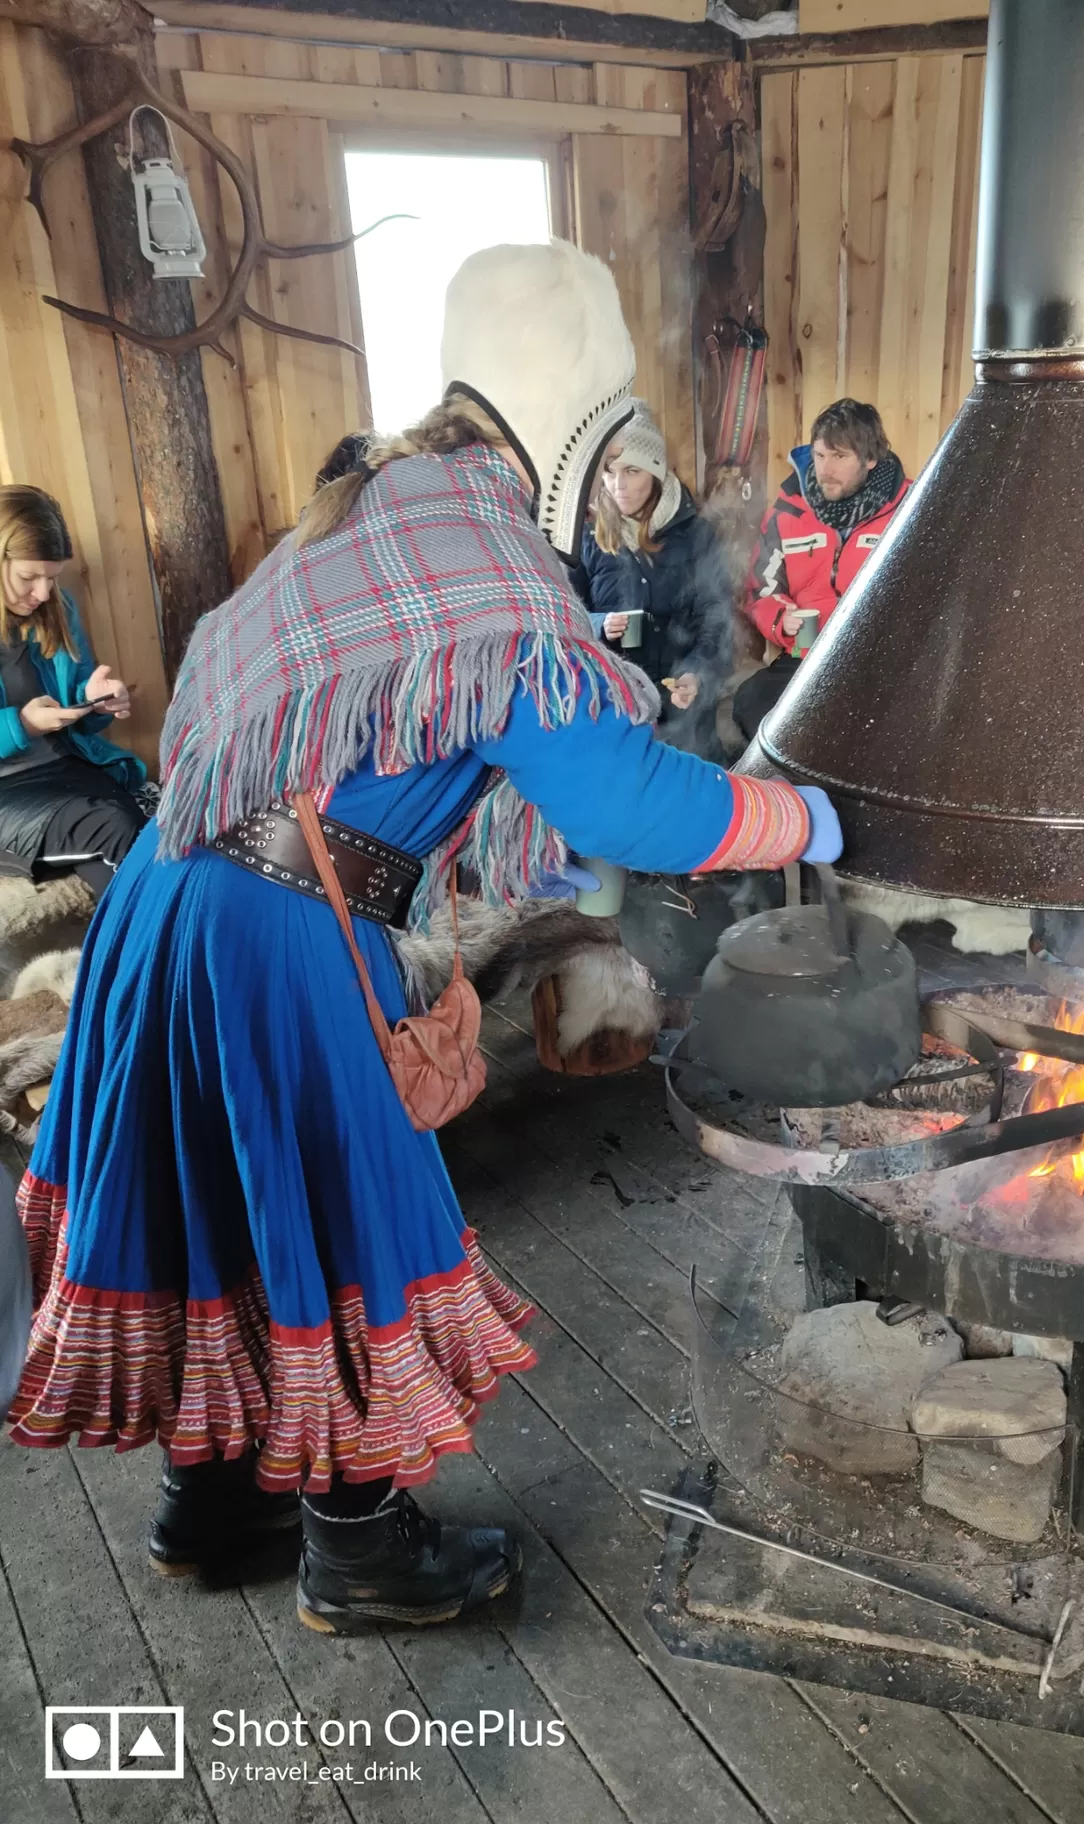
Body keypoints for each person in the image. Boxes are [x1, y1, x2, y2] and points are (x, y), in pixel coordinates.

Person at [7, 241, 839, 1636]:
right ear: (578, 423)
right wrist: (806, 824)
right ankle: (361, 1550)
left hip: (173, 892)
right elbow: (622, 797)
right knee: (327, 1214)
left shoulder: (366, 509)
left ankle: (215, 1508)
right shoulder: (487, 554)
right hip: (269, 925)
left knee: (226, 1195)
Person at [733, 399, 910, 743]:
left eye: (839, 456)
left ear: (871, 459)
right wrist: (781, 618)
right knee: (751, 702)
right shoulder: (790, 506)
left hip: (877, 663)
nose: (825, 468)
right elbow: (759, 588)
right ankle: (791, 794)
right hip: (806, 654)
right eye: (820, 455)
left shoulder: (908, 507)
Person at [0, 487, 143, 900]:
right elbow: (29, 721)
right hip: (8, 790)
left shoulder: (56, 608)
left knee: (144, 830)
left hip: (60, 767)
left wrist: (97, 701)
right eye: (29, 577)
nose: (43, 593)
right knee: (111, 825)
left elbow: (77, 702)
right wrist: (23, 724)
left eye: (53, 577)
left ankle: (139, 955)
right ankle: (148, 958)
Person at [578, 404, 732, 758]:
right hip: (616, 703)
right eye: (609, 471)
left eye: (632, 471)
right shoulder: (586, 536)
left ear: (656, 472)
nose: (618, 485)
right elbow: (562, 617)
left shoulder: (696, 534)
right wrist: (599, 623)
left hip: (683, 704)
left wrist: (696, 672)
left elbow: (716, 619)